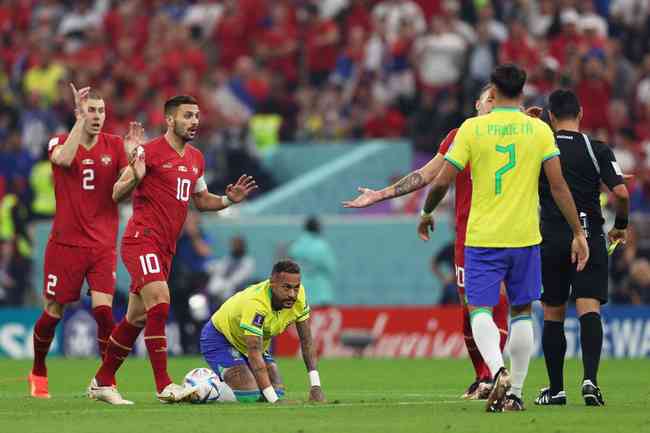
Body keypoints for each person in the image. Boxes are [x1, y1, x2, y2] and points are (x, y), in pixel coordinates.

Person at [418, 64, 589, 412]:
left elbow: (441, 181)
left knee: (479, 309)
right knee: (523, 311)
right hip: (525, 236)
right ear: (523, 92)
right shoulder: (538, 130)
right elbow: (558, 186)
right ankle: (516, 393)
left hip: (482, 238)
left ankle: (497, 371)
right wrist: (578, 231)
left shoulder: (472, 128)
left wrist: (426, 213)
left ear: (492, 93)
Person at [343, 85, 510, 400]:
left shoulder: (518, 132)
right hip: (470, 235)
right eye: (489, 98)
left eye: (498, 99)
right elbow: (428, 174)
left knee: (500, 303)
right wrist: (379, 195)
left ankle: (497, 375)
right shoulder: (462, 135)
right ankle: (484, 376)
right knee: (471, 309)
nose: (493, 103)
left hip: (509, 232)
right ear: (477, 104)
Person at [88, 95, 257, 405]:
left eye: (196, 116)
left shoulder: (196, 158)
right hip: (142, 239)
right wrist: (135, 178)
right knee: (161, 301)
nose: (194, 121)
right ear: (169, 120)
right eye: (187, 116)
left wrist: (228, 199)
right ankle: (164, 384)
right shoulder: (148, 152)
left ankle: (102, 381)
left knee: (136, 318)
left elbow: (202, 200)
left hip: (166, 248)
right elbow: (115, 193)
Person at [28, 84, 138, 399]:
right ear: (80, 113)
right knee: (53, 313)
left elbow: (123, 191)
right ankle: (38, 369)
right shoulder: (60, 141)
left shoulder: (115, 145)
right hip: (66, 243)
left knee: (104, 312)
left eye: (101, 111)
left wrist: (134, 166)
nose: (97, 117)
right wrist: (77, 121)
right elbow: (63, 161)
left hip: (102, 244)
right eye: (91, 110)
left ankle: (104, 382)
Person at [534, 89, 629, 407]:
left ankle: (556, 389)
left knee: (553, 312)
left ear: (550, 116)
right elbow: (623, 194)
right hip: (589, 235)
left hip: (551, 237)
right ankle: (590, 380)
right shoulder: (597, 148)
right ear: (581, 113)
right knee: (589, 308)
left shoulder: (541, 147)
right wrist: (621, 226)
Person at [199, 259, 325, 404]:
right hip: (220, 337)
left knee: (276, 390)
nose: (292, 294)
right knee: (249, 394)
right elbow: (253, 350)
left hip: (251, 343)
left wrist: (316, 386)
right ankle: (201, 385)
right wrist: (275, 402)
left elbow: (306, 341)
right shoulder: (257, 304)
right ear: (272, 283)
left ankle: (234, 384)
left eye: (296, 287)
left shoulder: (299, 297)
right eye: (286, 287)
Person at [288, 217, 337, 307]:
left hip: (301, 293)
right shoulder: (322, 246)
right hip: (321, 294)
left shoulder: (295, 246)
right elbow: (331, 267)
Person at [205, 235, 256, 305]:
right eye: (234, 245)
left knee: (227, 290)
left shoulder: (248, 261)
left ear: (242, 246)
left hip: (237, 290)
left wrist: (226, 283)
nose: (235, 247)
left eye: (237, 245)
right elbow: (220, 268)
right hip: (223, 284)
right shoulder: (229, 258)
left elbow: (239, 279)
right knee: (213, 286)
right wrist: (211, 267)